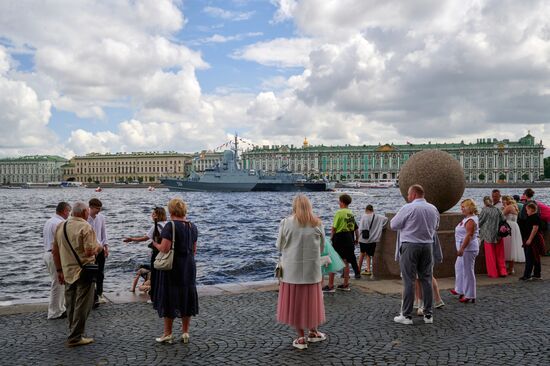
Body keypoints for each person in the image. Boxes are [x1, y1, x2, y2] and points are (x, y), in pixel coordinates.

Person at [276, 195, 326, 350]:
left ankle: (300, 337)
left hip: (292, 272)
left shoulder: (286, 223)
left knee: (296, 304)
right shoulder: (317, 223)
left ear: (294, 207)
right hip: (311, 271)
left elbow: (279, 245)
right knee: (312, 302)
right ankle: (313, 331)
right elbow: (322, 248)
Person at [52, 201, 101, 347]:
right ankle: (76, 336)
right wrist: (99, 247)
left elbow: (55, 251)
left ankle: (72, 330)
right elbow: (89, 251)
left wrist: (59, 270)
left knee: (70, 303)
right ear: (85, 212)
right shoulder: (86, 227)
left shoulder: (61, 225)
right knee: (83, 304)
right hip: (84, 271)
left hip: (67, 270)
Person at [391, 184, 439, 325]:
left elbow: (393, 225)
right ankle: (428, 315)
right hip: (427, 246)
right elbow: (436, 226)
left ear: (413, 194)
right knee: (427, 279)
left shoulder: (408, 207)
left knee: (409, 281)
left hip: (410, 246)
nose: (407, 197)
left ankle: (406, 315)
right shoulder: (433, 208)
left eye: (408, 194)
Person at [152, 198, 198, 344]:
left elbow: (165, 249)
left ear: (171, 211)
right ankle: (185, 332)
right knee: (186, 296)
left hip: (172, 267)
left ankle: (168, 334)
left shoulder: (169, 226)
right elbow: (194, 250)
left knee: (170, 297)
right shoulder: (193, 226)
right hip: (189, 266)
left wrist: (154, 244)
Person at [124, 207, 167, 301]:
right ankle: (164, 294)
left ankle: (154, 297)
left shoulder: (156, 226)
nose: (152, 215)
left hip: (157, 253)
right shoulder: (167, 225)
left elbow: (145, 238)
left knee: (155, 274)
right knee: (164, 274)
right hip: (166, 252)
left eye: (153, 214)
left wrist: (132, 239)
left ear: (157, 215)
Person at [323, 194, 360, 292]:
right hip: (349, 237)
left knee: (332, 260)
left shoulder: (339, 213)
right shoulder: (351, 213)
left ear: (342, 202)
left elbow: (334, 228)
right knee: (346, 261)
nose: (339, 203)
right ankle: (345, 284)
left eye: (339, 201)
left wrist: (331, 238)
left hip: (339, 238)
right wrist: (357, 238)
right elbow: (356, 228)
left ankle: (330, 285)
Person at [43, 202, 71, 320]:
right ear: (64, 211)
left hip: (47, 253)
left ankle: (60, 308)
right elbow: (62, 243)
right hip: (55, 255)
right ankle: (54, 312)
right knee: (58, 284)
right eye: (68, 212)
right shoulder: (60, 223)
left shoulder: (49, 221)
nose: (69, 214)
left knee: (59, 283)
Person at [450, 199, 480, 304]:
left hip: (468, 248)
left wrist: (462, 248)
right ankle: (460, 289)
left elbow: (469, 235)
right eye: (461, 206)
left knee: (468, 271)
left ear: (470, 208)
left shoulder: (471, 220)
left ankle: (470, 294)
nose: (462, 208)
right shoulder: (467, 218)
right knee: (459, 267)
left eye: (464, 207)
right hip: (465, 248)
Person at [87, 198, 108, 308]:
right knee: (90, 274)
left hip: (99, 249)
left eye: (100, 209)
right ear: (90, 207)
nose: (98, 211)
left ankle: (99, 294)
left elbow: (104, 233)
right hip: (90, 251)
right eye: (96, 209)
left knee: (100, 273)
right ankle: (92, 296)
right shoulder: (85, 218)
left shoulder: (101, 217)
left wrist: (106, 246)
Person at [479, 196, 507, 278]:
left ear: (484, 203)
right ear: (491, 201)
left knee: (490, 256)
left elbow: (479, 222)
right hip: (498, 235)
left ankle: (493, 273)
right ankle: (503, 271)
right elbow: (504, 219)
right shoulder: (497, 209)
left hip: (488, 235)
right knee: (500, 254)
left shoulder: (484, 210)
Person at [357, 204, 388, 276]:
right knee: (369, 254)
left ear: (366, 210)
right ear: (372, 210)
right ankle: (369, 269)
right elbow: (386, 219)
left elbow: (361, 228)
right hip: (373, 239)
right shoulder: (378, 216)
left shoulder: (364, 216)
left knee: (362, 254)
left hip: (364, 239)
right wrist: (381, 227)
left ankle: (358, 269)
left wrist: (358, 237)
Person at [519, 202, 544, 281]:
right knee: (535, 257)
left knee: (530, 257)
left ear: (531, 209)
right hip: (532, 239)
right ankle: (537, 274)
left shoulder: (534, 217)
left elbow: (535, 228)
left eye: (527, 210)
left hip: (534, 240)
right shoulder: (533, 217)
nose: (526, 212)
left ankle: (527, 275)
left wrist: (530, 239)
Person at [502, 195, 525, 274]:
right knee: (512, 248)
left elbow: (501, 216)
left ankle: (508, 268)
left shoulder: (508, 207)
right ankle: (511, 268)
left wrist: (503, 207)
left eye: (503, 200)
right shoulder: (515, 206)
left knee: (507, 247)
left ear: (506, 200)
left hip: (509, 227)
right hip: (514, 226)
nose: (502, 202)